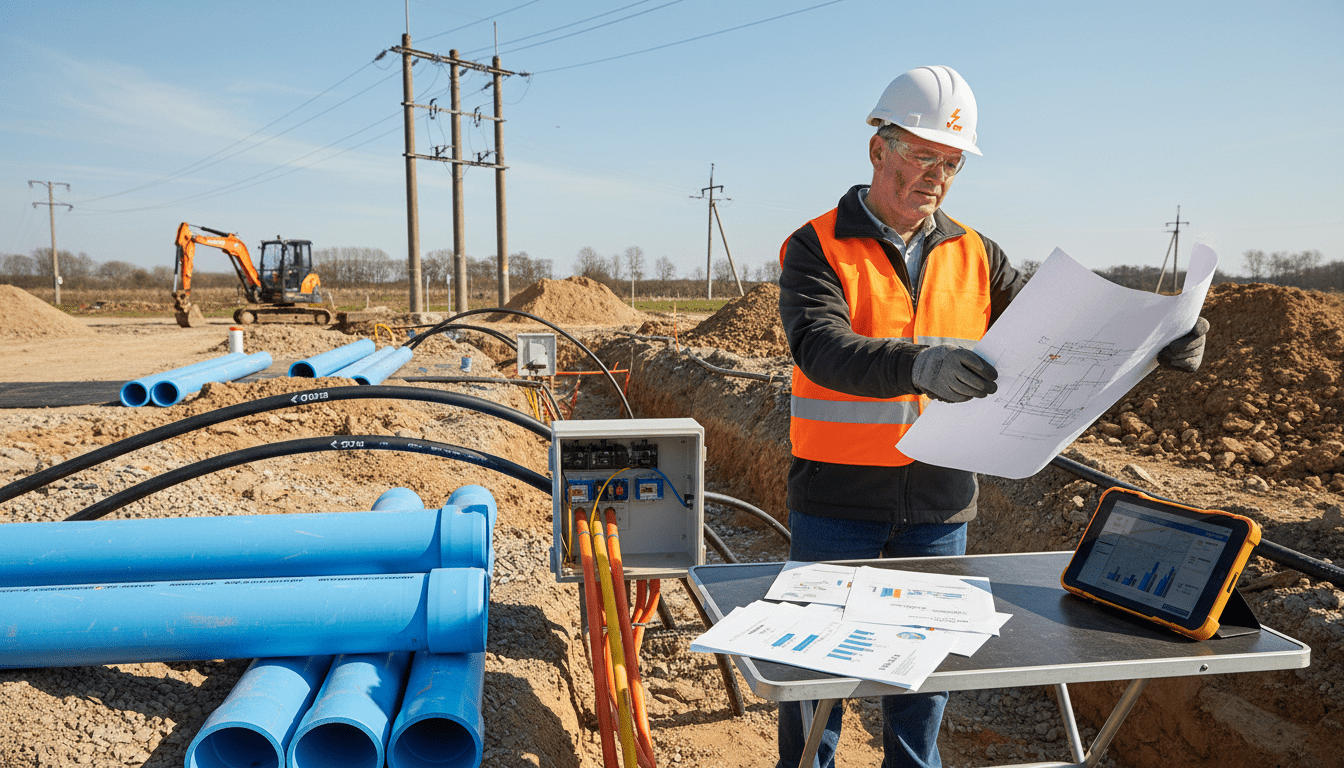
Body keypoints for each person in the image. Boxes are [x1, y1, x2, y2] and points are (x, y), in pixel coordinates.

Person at [775, 65, 1208, 768]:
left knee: (919, 681)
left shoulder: (979, 255)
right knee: (815, 680)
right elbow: (822, 347)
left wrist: (1160, 337)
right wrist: (918, 364)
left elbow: (1058, 338)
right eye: (920, 154)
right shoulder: (817, 245)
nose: (935, 176)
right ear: (877, 147)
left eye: (949, 163)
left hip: (939, 508)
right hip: (835, 499)